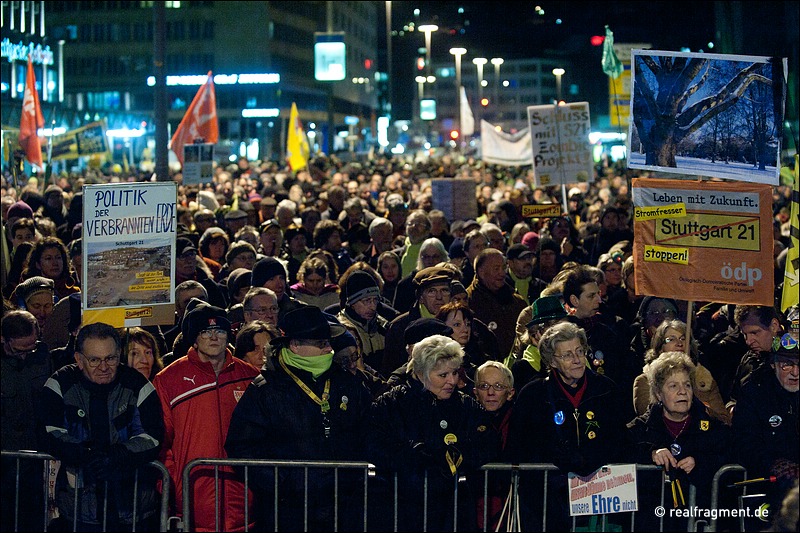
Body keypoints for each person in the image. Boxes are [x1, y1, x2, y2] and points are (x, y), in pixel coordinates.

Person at [225, 306, 373, 531]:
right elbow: (242, 448)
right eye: (320, 343)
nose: (328, 349)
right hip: (288, 511)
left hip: (343, 506)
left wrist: (355, 479)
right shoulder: (266, 390)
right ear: (295, 345)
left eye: (328, 342)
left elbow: (369, 431)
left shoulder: (347, 383)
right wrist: (284, 484)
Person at [41, 322, 164, 531]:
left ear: (119, 356)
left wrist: (118, 455)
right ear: (79, 360)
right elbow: (50, 432)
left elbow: (152, 435)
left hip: (133, 506)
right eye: (94, 360)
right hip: (79, 507)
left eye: (110, 358)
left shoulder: (137, 384)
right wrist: (85, 455)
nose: (104, 367)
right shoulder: (60, 384)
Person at [367, 334, 499, 531]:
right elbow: (375, 445)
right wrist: (412, 455)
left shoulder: (465, 405)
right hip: (402, 507)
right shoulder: (391, 403)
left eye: (455, 373)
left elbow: (489, 442)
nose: (452, 381)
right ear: (421, 372)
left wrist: (456, 456)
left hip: (453, 508)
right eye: (443, 375)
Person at [508, 321, 627, 531]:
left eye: (580, 351)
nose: (577, 360)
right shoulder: (533, 395)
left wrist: (591, 459)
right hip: (549, 501)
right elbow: (519, 447)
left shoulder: (606, 389)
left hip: (600, 497)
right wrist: (558, 460)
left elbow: (621, 440)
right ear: (552, 361)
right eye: (567, 355)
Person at [153, 303, 260, 532]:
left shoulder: (250, 376)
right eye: (205, 331)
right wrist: (174, 485)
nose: (213, 336)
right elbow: (162, 441)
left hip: (244, 500)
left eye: (219, 330)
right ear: (193, 338)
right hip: (193, 504)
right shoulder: (168, 380)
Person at [627, 351, 730, 530]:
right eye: (673, 386)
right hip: (653, 521)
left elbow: (731, 456)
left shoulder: (712, 427)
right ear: (658, 393)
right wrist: (650, 453)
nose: (682, 391)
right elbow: (619, 450)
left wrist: (700, 461)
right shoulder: (642, 427)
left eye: (687, 385)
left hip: (699, 520)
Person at [732, 334, 798, 513]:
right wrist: (773, 463)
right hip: (769, 489)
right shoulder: (754, 392)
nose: (795, 372)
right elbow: (743, 442)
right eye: (787, 364)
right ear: (773, 364)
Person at [1, 310, 54, 532]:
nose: (25, 355)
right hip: (5, 459)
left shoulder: (42, 355)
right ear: (4, 339)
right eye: (19, 350)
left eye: (30, 348)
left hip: (36, 455)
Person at [633, 319, 730, 424]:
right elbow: (650, 420)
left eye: (683, 339)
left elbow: (724, 420)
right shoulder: (645, 381)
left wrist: (703, 409)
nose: (679, 343)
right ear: (660, 348)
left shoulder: (705, 380)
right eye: (671, 339)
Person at [382, 265, 458, 378]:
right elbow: (389, 370)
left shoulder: (463, 322)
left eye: (444, 290)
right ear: (421, 298)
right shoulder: (399, 328)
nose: (439, 297)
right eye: (432, 291)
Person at [473, 361, 516, 531]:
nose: (490, 392)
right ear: (475, 392)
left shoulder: (519, 420)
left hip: (511, 500)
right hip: (476, 498)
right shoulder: (467, 418)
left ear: (510, 393)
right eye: (484, 386)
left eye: (498, 386)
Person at [467, 248, 528, 360]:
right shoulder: (468, 303)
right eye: (496, 269)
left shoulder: (517, 302)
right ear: (481, 272)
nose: (502, 273)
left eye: (503, 268)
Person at [336, 269, 390, 374]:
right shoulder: (342, 330)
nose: (373, 307)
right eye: (367, 301)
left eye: (375, 300)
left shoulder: (383, 326)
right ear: (352, 302)